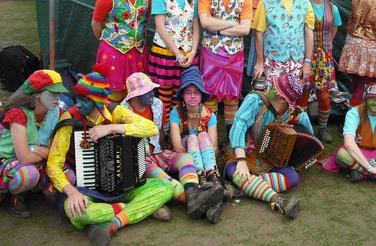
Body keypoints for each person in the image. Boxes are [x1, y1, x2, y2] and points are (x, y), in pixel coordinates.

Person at [46, 65, 174, 245]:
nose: (79, 104)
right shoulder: (69, 119)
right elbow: (53, 165)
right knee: (77, 212)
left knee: (164, 188)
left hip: (123, 187)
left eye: (85, 100)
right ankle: (135, 209)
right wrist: (72, 192)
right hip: (85, 190)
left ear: (98, 101)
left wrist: (112, 127)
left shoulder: (115, 111)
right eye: (78, 99)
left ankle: (111, 223)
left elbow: (150, 128)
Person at [121, 71, 224, 224]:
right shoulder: (123, 111)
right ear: (135, 96)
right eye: (146, 91)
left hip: (159, 152)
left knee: (187, 158)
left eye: (151, 90)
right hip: (141, 159)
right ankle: (204, 201)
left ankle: (203, 187)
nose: (152, 93)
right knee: (166, 179)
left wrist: (164, 150)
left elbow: (161, 130)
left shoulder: (156, 104)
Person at [225, 73, 313, 219]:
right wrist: (241, 160)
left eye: (275, 88)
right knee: (236, 172)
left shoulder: (289, 113)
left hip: (269, 159)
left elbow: (305, 123)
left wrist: (310, 146)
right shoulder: (255, 100)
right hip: (243, 152)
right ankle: (278, 199)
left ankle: (241, 189)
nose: (270, 88)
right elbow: (239, 126)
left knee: (293, 177)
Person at [0, 70, 69, 218]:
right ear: (37, 93)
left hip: (36, 158)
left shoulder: (56, 112)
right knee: (27, 175)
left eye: (59, 94)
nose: (58, 98)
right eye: (53, 93)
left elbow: (56, 149)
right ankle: (14, 197)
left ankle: (33, 189)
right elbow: (24, 157)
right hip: (8, 159)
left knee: (69, 177)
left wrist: (34, 149)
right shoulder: (18, 113)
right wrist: (43, 150)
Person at [198, 0, 252, 134]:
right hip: (211, 53)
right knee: (210, 92)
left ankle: (231, 135)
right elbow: (205, 22)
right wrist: (231, 24)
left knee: (232, 96)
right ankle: (208, 132)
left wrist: (219, 28)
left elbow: (245, 29)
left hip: (234, 55)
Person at [91, 0, 151, 104]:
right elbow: (96, 24)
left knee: (136, 93)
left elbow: (145, 21)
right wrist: (109, 43)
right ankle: (110, 124)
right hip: (113, 53)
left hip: (138, 52)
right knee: (114, 95)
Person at [147, 0, 200, 123]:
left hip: (187, 53)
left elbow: (196, 26)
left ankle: (179, 127)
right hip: (166, 52)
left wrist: (192, 52)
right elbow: (160, 27)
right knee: (165, 94)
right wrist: (177, 53)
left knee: (182, 92)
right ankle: (163, 129)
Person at [170, 66, 225, 222]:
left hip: (207, 157)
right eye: (188, 92)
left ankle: (212, 178)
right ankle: (202, 179)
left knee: (202, 135)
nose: (193, 96)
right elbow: (177, 146)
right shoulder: (176, 113)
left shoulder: (209, 114)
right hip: (186, 158)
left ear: (201, 95)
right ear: (182, 95)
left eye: (196, 92)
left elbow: (213, 145)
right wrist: (192, 160)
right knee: (192, 138)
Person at [295, 0, 341, 143]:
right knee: (303, 93)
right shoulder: (303, 4)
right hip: (306, 56)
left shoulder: (333, 8)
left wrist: (325, 48)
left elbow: (334, 31)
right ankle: (303, 128)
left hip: (325, 57)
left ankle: (322, 128)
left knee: (323, 95)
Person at [252, 0, 315, 86]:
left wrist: (307, 62)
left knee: (291, 100)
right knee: (270, 99)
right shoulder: (265, 2)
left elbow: (309, 34)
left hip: (296, 62)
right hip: (272, 61)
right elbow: (258, 33)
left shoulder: (305, 3)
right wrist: (259, 62)